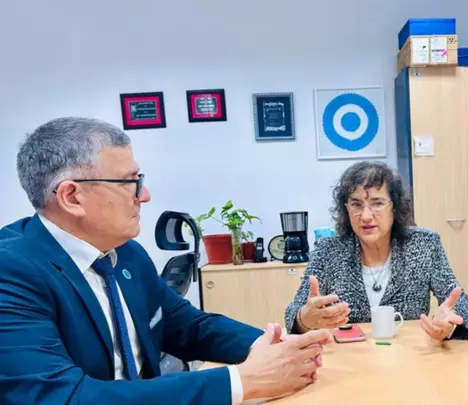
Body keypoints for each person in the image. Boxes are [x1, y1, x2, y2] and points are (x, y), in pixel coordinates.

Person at [0, 117, 333, 405]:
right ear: (72, 197)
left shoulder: (126, 253)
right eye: (131, 183)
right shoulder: (11, 271)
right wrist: (242, 381)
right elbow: (60, 397)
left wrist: (274, 346)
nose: (144, 196)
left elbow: (188, 326)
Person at [284, 161, 468, 341]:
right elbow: (294, 313)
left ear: (395, 207)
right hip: (349, 358)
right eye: (356, 205)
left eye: (377, 203)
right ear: (346, 209)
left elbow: (458, 301)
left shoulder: (424, 244)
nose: (366, 216)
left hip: (410, 356)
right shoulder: (328, 251)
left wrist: (449, 324)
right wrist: (303, 320)